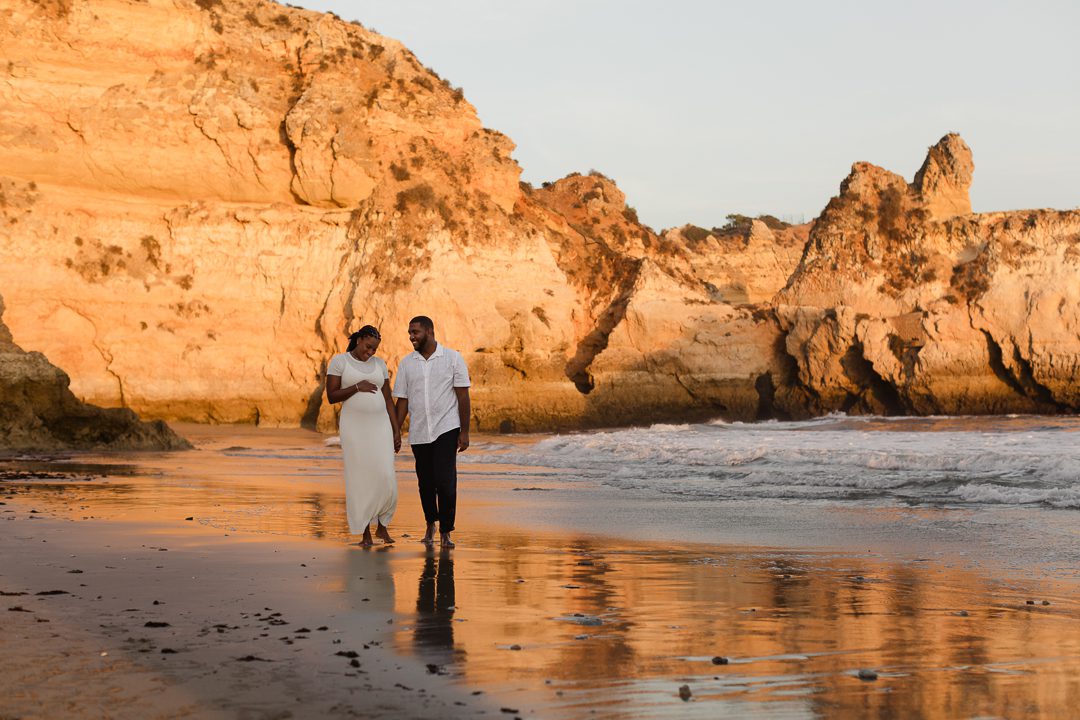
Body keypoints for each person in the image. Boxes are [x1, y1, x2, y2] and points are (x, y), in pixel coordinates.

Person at [393, 316, 471, 549]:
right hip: (418, 431)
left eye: (415, 332)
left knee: (445, 481)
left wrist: (464, 431)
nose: (411, 336)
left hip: (446, 427)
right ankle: (430, 523)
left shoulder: (453, 359)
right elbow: (402, 401)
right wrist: (396, 431)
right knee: (425, 482)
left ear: (429, 331)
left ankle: (446, 530)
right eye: (409, 332)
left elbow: (463, 396)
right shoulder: (407, 363)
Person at [325, 325, 402, 546]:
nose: (371, 353)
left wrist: (396, 430)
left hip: (381, 428)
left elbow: (388, 399)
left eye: (375, 349)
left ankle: (383, 527)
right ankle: (366, 533)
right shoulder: (340, 362)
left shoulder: (379, 364)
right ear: (359, 340)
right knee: (361, 479)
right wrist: (357, 387)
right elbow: (332, 395)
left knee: (386, 476)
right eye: (368, 347)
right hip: (354, 429)